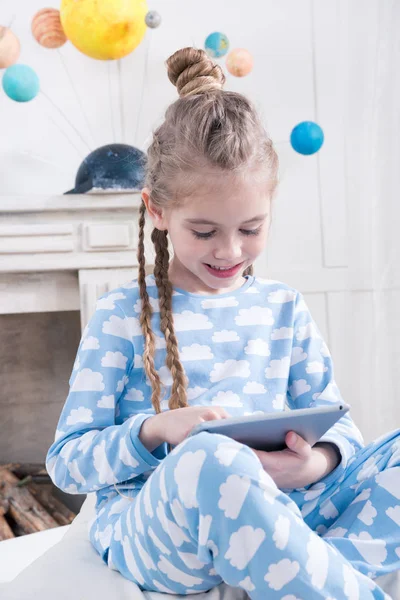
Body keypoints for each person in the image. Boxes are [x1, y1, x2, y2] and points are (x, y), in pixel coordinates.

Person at [46, 47, 400, 599]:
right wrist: (156, 430)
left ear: (270, 206)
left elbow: (344, 434)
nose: (230, 251)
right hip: (165, 533)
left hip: (286, 506)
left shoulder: (283, 307)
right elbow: (67, 463)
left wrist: (309, 467)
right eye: (205, 232)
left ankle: (302, 570)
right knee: (211, 457)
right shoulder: (121, 317)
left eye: (252, 228)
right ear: (158, 212)